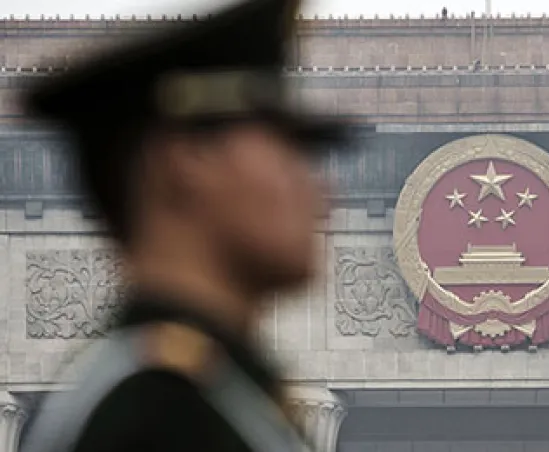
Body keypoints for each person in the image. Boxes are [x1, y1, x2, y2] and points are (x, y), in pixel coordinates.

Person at [19, 0, 354, 451]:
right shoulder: (155, 419)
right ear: (187, 159)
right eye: (290, 152)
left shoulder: (216, 397)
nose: (322, 193)